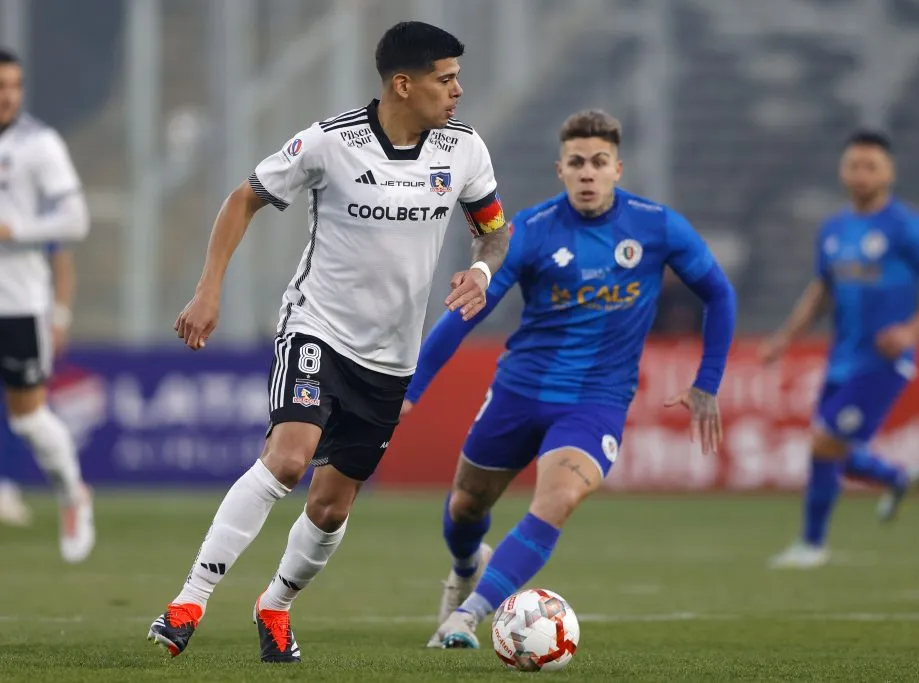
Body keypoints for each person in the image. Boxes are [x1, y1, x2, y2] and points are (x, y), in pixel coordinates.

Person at [147, 21, 510, 663]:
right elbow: (243, 199)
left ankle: (275, 607)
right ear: (404, 83)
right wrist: (208, 291)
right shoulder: (329, 142)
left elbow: (492, 229)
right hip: (316, 326)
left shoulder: (464, 149)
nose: (458, 90)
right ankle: (188, 601)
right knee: (288, 460)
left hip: (393, 355)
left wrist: (481, 271)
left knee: (331, 506)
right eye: (445, 78)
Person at [402, 109, 737, 649]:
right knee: (466, 507)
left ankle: (466, 617)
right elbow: (469, 310)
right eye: (577, 162)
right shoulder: (530, 231)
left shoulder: (657, 226)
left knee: (556, 499)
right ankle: (467, 565)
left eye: (598, 162)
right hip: (519, 391)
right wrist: (410, 391)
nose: (588, 172)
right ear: (560, 169)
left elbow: (719, 293)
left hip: (595, 403)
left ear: (617, 169)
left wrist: (709, 379)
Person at [760, 130, 919, 569]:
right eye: (854, 165)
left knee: (824, 443)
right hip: (842, 358)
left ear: (888, 172)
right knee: (833, 451)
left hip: (883, 361)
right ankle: (895, 478)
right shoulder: (833, 228)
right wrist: (785, 337)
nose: (861, 173)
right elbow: (821, 291)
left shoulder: (905, 227)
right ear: (842, 170)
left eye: (871, 166)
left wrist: (913, 330)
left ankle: (813, 546)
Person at [0, 48, 93, 562]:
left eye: (14, 85)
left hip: (18, 303)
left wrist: (15, 231)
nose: (9, 95)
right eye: (1, 86)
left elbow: (75, 221)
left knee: (28, 421)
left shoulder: (39, 145)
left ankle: (72, 493)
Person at [0, 242, 75, 528]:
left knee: (22, 412)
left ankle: (6, 486)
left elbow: (62, 260)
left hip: (22, 317)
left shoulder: (33, 204)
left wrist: (59, 316)